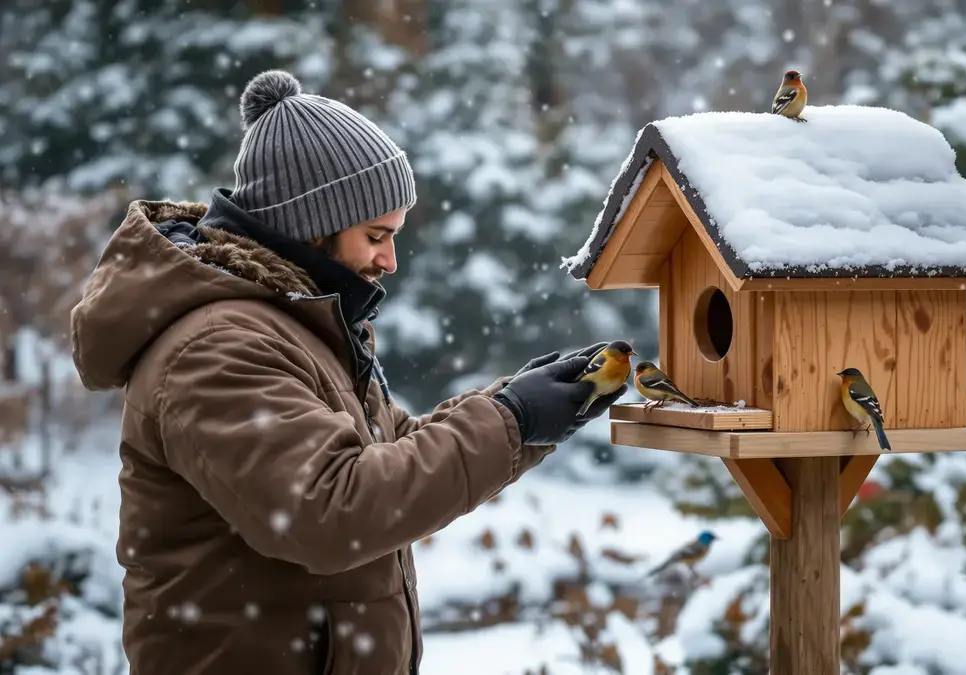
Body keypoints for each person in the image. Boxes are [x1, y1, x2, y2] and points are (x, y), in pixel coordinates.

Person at [69, 69, 627, 674]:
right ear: (310, 223)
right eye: (376, 235)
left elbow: (389, 453)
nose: (390, 259)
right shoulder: (217, 347)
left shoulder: (295, 324)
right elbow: (331, 508)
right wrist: (511, 421)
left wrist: (525, 411)